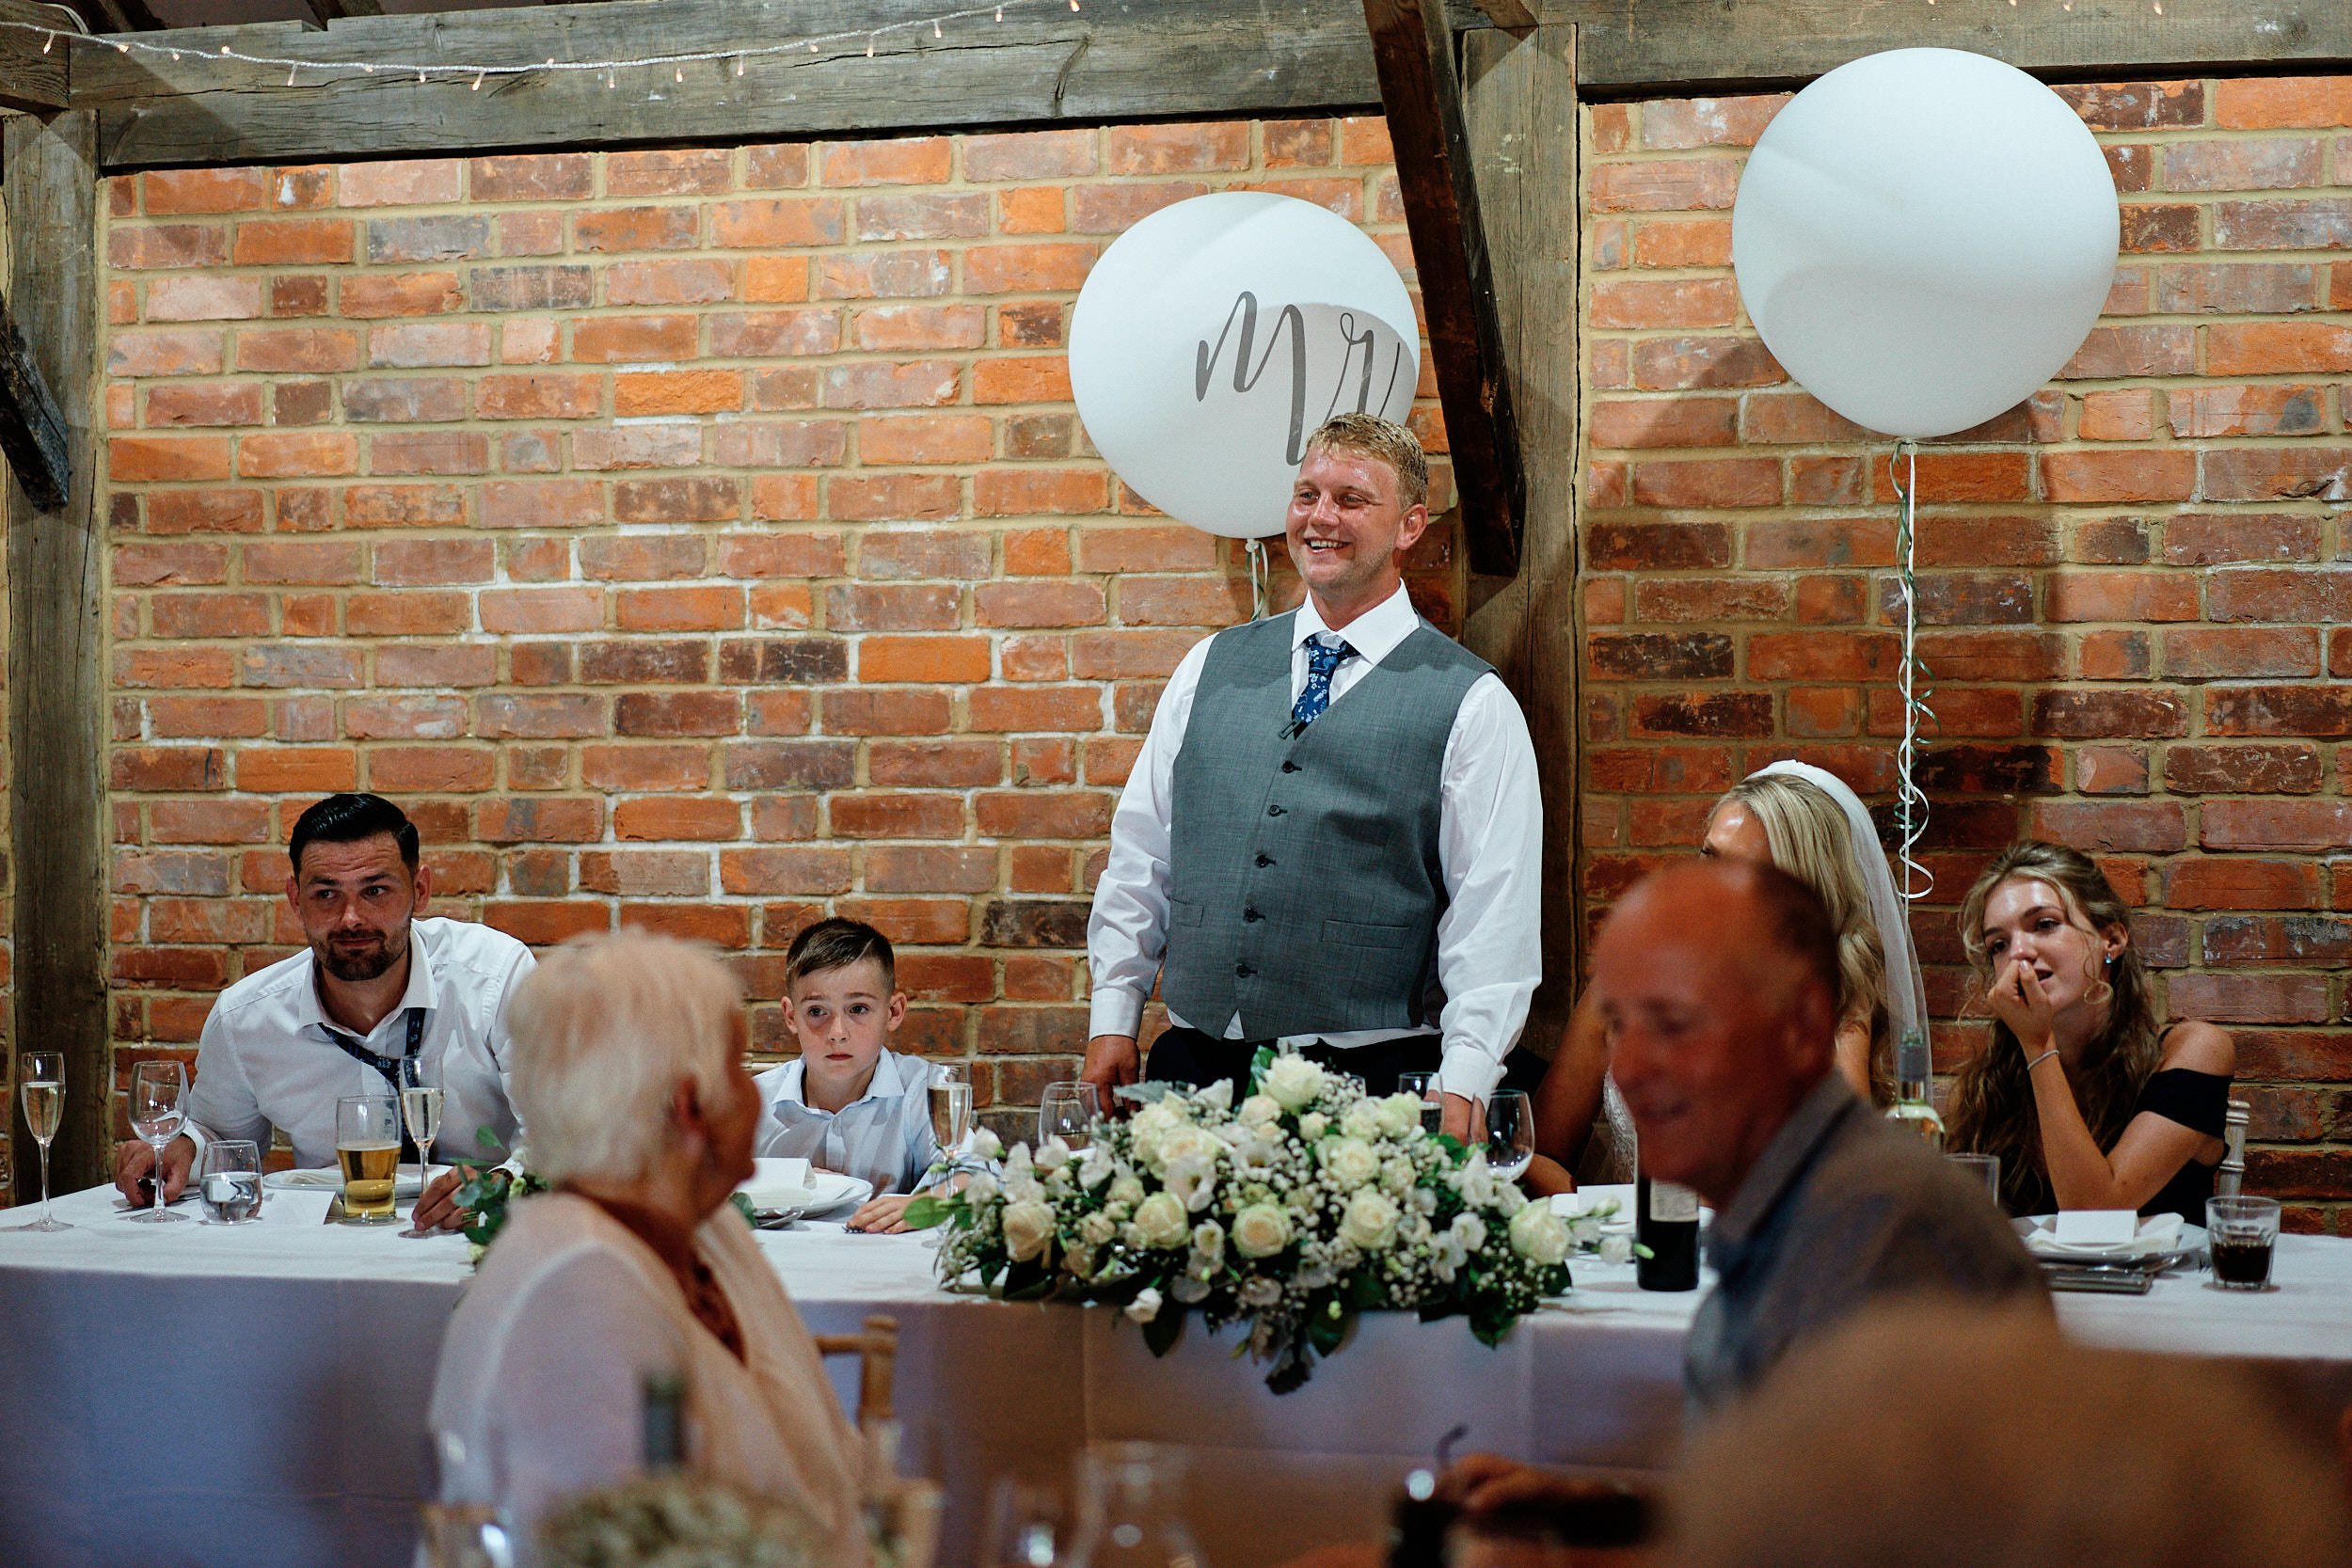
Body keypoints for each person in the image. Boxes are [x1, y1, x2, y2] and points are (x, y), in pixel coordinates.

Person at [1082, 413, 1542, 1131]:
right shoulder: (1210, 667)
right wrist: (1113, 1012)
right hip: (1194, 1075)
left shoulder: (1472, 703)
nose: (1320, 518)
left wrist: (1468, 1079)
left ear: (1410, 526)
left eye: (1352, 499)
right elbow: (1142, 855)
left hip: (1372, 1090)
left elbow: (1495, 916)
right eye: (1306, 495)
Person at [425, 931, 864, 1566]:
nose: (755, 1092)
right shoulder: (579, 1286)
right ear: (689, 1105)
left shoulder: (708, 1227)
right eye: (738, 1067)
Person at [111, 792, 532, 1232]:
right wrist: (180, 1149)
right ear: (296, 898)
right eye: (326, 893)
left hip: (473, 1234)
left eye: (376, 891)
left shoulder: (495, 980)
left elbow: (559, 1136)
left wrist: (500, 1183)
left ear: (420, 891)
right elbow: (219, 1136)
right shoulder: (246, 1018)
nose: (351, 917)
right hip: (323, 1242)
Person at [1671, 1301, 2351, 1568]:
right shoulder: (1994, 1081)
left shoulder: (2188, 1049)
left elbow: (2095, 1197)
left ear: (2113, 978)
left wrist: (2041, 1052)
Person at [1525, 762, 1919, 1193]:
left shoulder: (1835, 1003)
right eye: (1708, 856)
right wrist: (1603, 1222)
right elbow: (1538, 1153)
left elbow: (1845, 1174)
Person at [1946, 842, 2234, 1221]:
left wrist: (2038, 1045)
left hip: (2160, 1281)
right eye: (1998, 944)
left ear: (2111, 940)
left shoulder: (2195, 1049)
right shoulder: (1987, 1087)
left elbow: (2095, 1213)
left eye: (2044, 924)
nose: (2018, 953)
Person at [755, 917, 941, 1235]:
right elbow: (701, 1190)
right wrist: (782, 1180)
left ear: (893, 1012)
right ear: (790, 1015)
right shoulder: (754, 1101)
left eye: (858, 1009)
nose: (837, 1033)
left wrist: (925, 1204)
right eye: (816, 1012)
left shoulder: (922, 1088)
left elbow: (976, 1172)